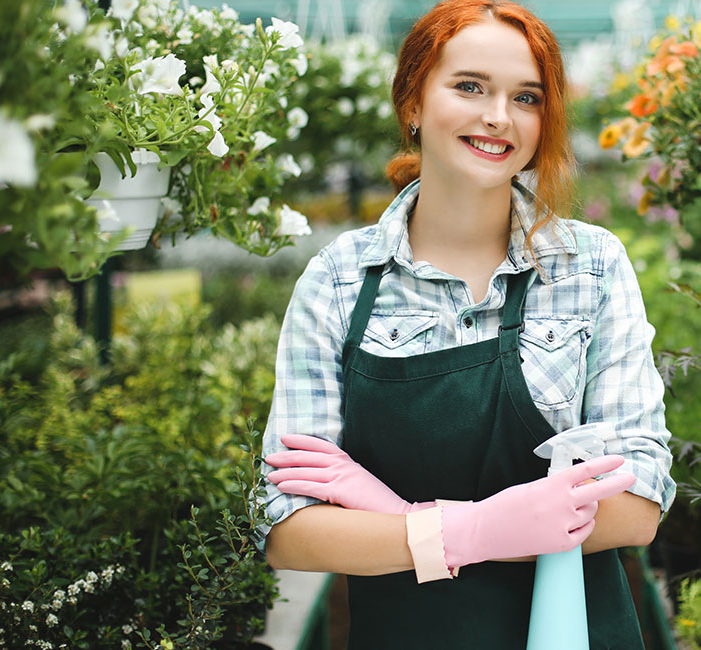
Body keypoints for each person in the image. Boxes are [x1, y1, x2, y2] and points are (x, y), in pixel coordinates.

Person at [258, 1, 676, 647]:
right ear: (413, 103)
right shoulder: (339, 280)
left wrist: (401, 521)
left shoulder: (589, 266)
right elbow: (289, 530)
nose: (498, 117)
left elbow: (637, 503)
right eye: (470, 86)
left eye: (528, 97)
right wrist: (485, 528)